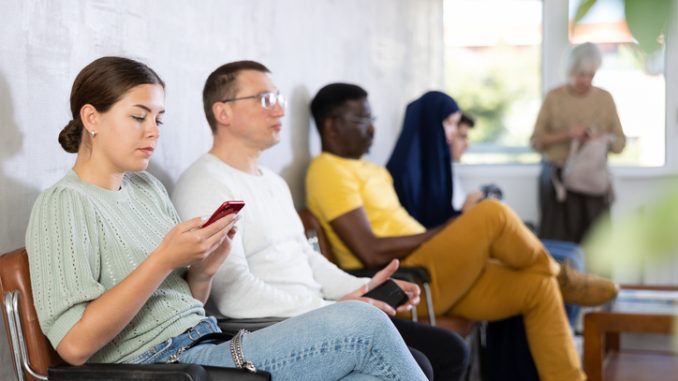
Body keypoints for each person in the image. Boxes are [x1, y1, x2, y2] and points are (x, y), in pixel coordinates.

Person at [25, 56, 428, 381]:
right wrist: (163, 260)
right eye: (138, 116)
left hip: (206, 348)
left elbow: (186, 307)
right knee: (364, 324)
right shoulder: (63, 204)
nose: (153, 131)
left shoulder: (146, 190)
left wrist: (203, 273)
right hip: (166, 369)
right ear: (92, 118)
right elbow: (74, 346)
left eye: (159, 119)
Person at [303, 82, 623, 381]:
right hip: (408, 282)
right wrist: (449, 229)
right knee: (492, 213)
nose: (372, 127)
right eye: (361, 120)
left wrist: (449, 232)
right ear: (330, 125)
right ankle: (563, 277)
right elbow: (369, 250)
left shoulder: (372, 170)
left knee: (538, 287)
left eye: (371, 118)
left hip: (434, 270)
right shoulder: (327, 170)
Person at [171, 60, 469, 381]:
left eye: (279, 100)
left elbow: (307, 258)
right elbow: (234, 295)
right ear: (223, 113)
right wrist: (330, 306)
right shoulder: (205, 183)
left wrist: (366, 287)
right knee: (424, 361)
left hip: (314, 311)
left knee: (449, 350)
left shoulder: (272, 181)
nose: (279, 112)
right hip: (271, 326)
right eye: (264, 100)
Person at [531, 42, 626, 244]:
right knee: (558, 246)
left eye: (591, 75)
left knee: (597, 246)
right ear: (569, 71)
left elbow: (620, 144)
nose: (585, 80)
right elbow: (536, 142)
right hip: (558, 185)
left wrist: (601, 139)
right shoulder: (554, 97)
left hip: (593, 185)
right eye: (580, 74)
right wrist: (568, 134)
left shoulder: (604, 99)